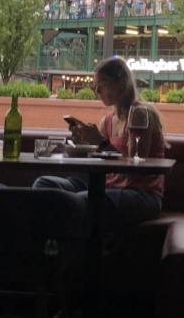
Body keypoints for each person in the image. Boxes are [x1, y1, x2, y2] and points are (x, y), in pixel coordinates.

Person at [34, 57, 165, 230]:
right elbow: (103, 160)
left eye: (102, 85)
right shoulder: (107, 121)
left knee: (79, 201)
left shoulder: (140, 114)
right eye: (96, 86)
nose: (97, 91)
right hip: (107, 186)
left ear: (121, 83)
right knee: (44, 184)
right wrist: (84, 143)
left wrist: (100, 141)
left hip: (141, 195)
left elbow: (136, 167)